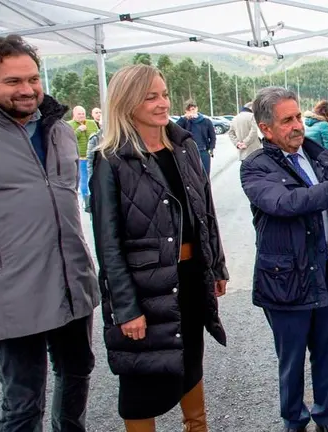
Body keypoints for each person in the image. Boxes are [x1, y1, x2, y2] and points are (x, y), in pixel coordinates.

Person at [89, 64, 228, 432]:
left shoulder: (184, 146)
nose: (162, 102)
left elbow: (205, 213)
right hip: (144, 287)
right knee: (141, 384)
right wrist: (126, 307)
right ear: (128, 102)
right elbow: (108, 243)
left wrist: (216, 267)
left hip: (190, 276)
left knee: (191, 363)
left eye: (164, 94)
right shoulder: (111, 159)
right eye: (151, 96)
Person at [240, 86, 328, 432]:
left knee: (327, 358)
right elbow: (286, 203)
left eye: (298, 116)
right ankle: (294, 421)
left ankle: (326, 419)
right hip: (285, 280)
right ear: (265, 128)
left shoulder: (318, 156)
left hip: (325, 275)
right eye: (287, 120)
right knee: (292, 361)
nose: (297, 125)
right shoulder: (255, 167)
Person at [0, 34, 99, 432]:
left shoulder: (57, 129)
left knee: (77, 374)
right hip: (13, 291)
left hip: (72, 281)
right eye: (13, 82)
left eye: (33, 79)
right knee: (23, 402)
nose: (28, 89)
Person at [68, 105, 99, 208]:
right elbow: (69, 139)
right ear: (74, 114)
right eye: (79, 114)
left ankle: (95, 197)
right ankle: (87, 201)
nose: (81, 116)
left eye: (83, 114)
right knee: (84, 179)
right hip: (80, 158)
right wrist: (78, 130)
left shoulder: (91, 123)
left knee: (95, 177)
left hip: (94, 155)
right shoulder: (69, 125)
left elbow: (97, 135)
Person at [176, 99, 216, 175]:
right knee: (192, 176)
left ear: (197, 108)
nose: (192, 112)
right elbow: (175, 130)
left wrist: (211, 148)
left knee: (205, 175)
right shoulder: (185, 121)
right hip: (189, 152)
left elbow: (212, 137)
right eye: (189, 110)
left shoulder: (206, 121)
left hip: (203, 151)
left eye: (193, 109)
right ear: (185, 111)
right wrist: (184, 118)